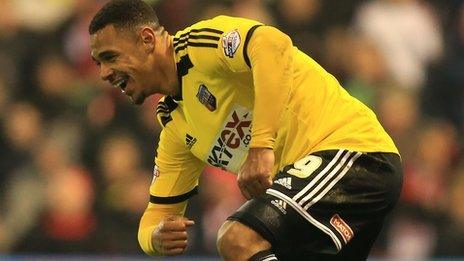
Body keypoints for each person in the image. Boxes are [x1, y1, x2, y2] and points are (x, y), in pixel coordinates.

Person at [88, 0, 403, 260]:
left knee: (237, 238)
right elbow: (156, 214)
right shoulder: (175, 125)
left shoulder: (198, 45)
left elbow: (272, 44)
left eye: (109, 57)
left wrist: (260, 145)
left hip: (352, 152)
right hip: (319, 193)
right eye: (98, 62)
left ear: (146, 40)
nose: (103, 73)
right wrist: (155, 238)